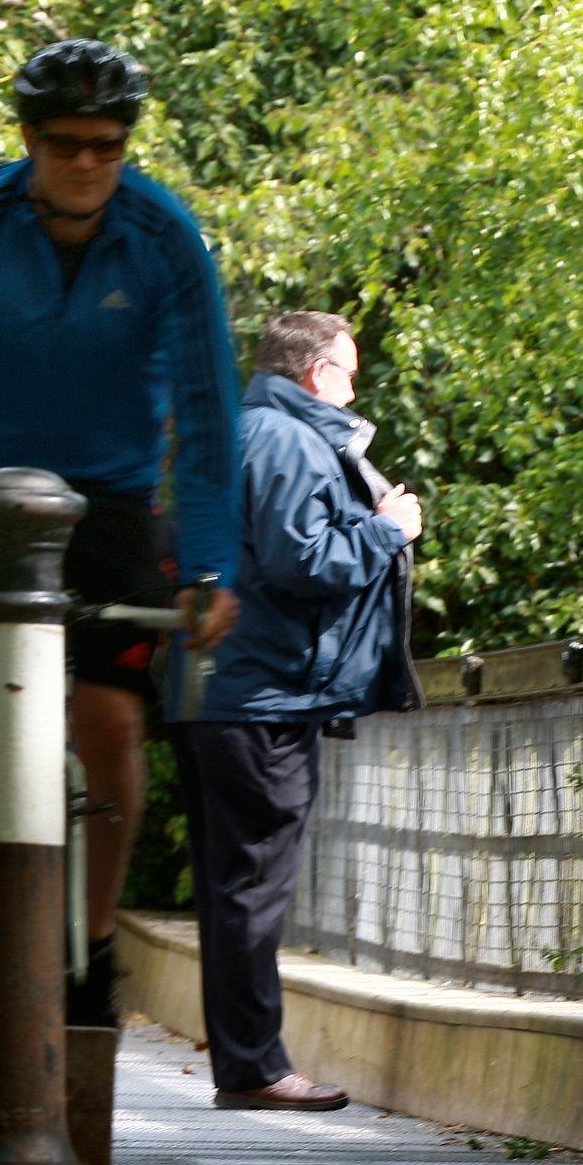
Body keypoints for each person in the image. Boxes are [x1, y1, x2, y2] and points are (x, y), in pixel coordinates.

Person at [0, 39, 243, 1025]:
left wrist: (211, 565)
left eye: (109, 145)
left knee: (115, 719)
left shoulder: (166, 237)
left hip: (113, 497)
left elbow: (209, 413)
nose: (88, 163)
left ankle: (92, 946)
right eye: (67, 144)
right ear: (28, 141)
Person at [166, 309, 422, 1109]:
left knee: (228, 886)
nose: (355, 388)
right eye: (350, 371)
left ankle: (247, 1061)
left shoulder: (236, 433)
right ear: (318, 374)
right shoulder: (289, 441)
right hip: (263, 692)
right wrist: (388, 531)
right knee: (253, 886)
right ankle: (256, 1069)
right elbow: (301, 558)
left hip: (215, 689)